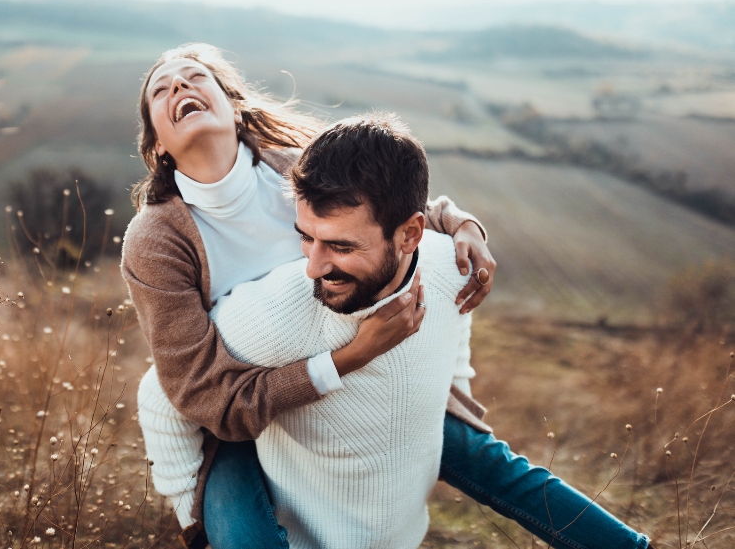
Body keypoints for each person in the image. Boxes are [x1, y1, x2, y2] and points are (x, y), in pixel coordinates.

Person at [121, 44, 651, 549]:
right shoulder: (155, 240)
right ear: (157, 144)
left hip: (350, 347)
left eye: (194, 77)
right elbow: (202, 392)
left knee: (485, 459)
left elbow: (388, 201)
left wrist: (461, 222)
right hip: (236, 408)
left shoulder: (295, 169)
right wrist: (352, 356)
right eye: (161, 90)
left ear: (233, 106)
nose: (179, 86)